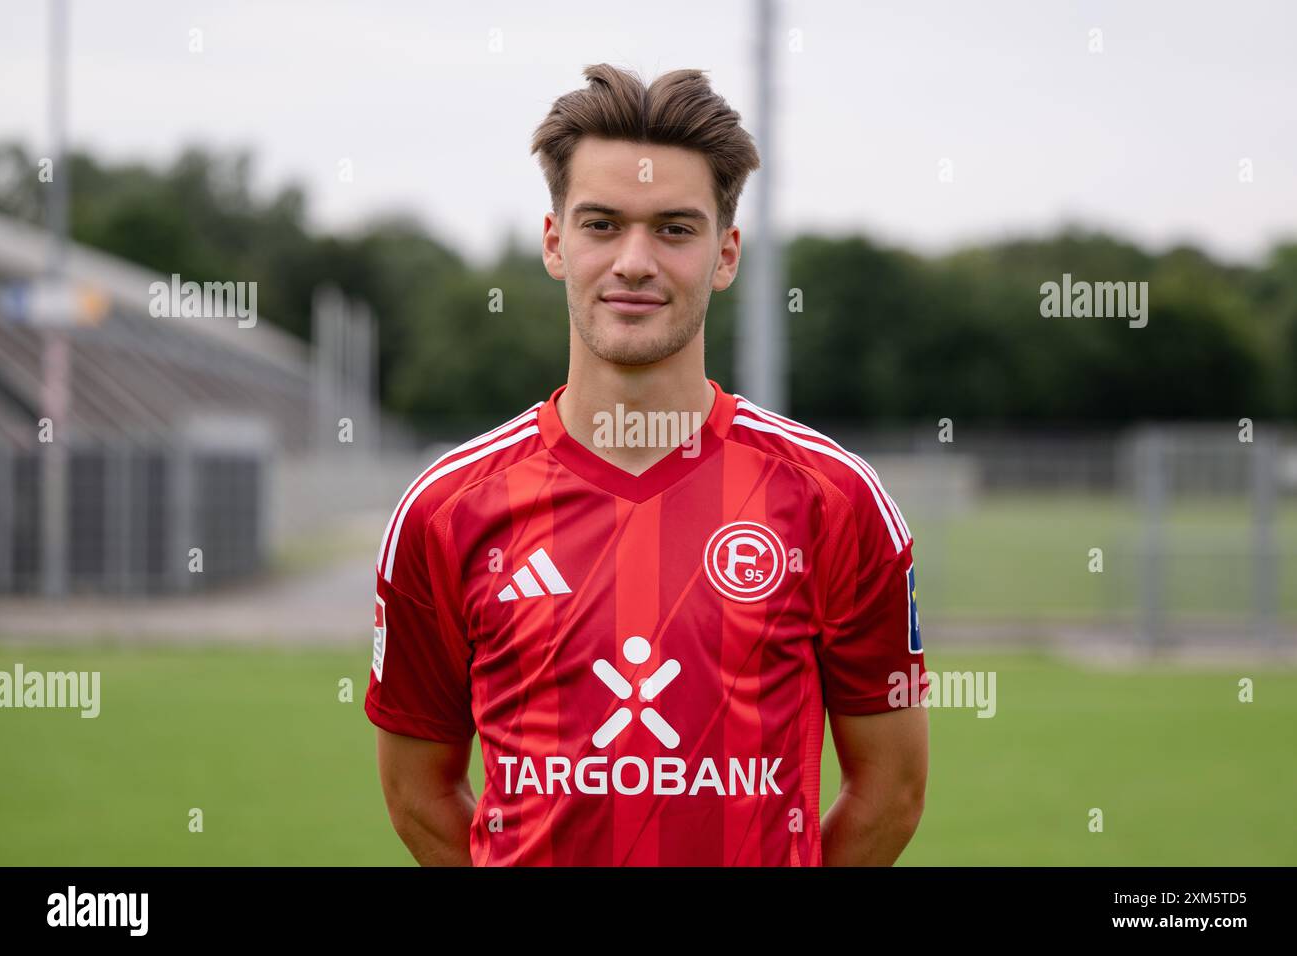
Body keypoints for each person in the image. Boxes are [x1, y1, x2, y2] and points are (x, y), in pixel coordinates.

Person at [367, 63, 928, 866]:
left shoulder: (835, 499)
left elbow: (892, 791)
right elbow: (415, 793)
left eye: (674, 228)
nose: (635, 260)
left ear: (725, 254)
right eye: (601, 224)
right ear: (555, 243)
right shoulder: (445, 509)